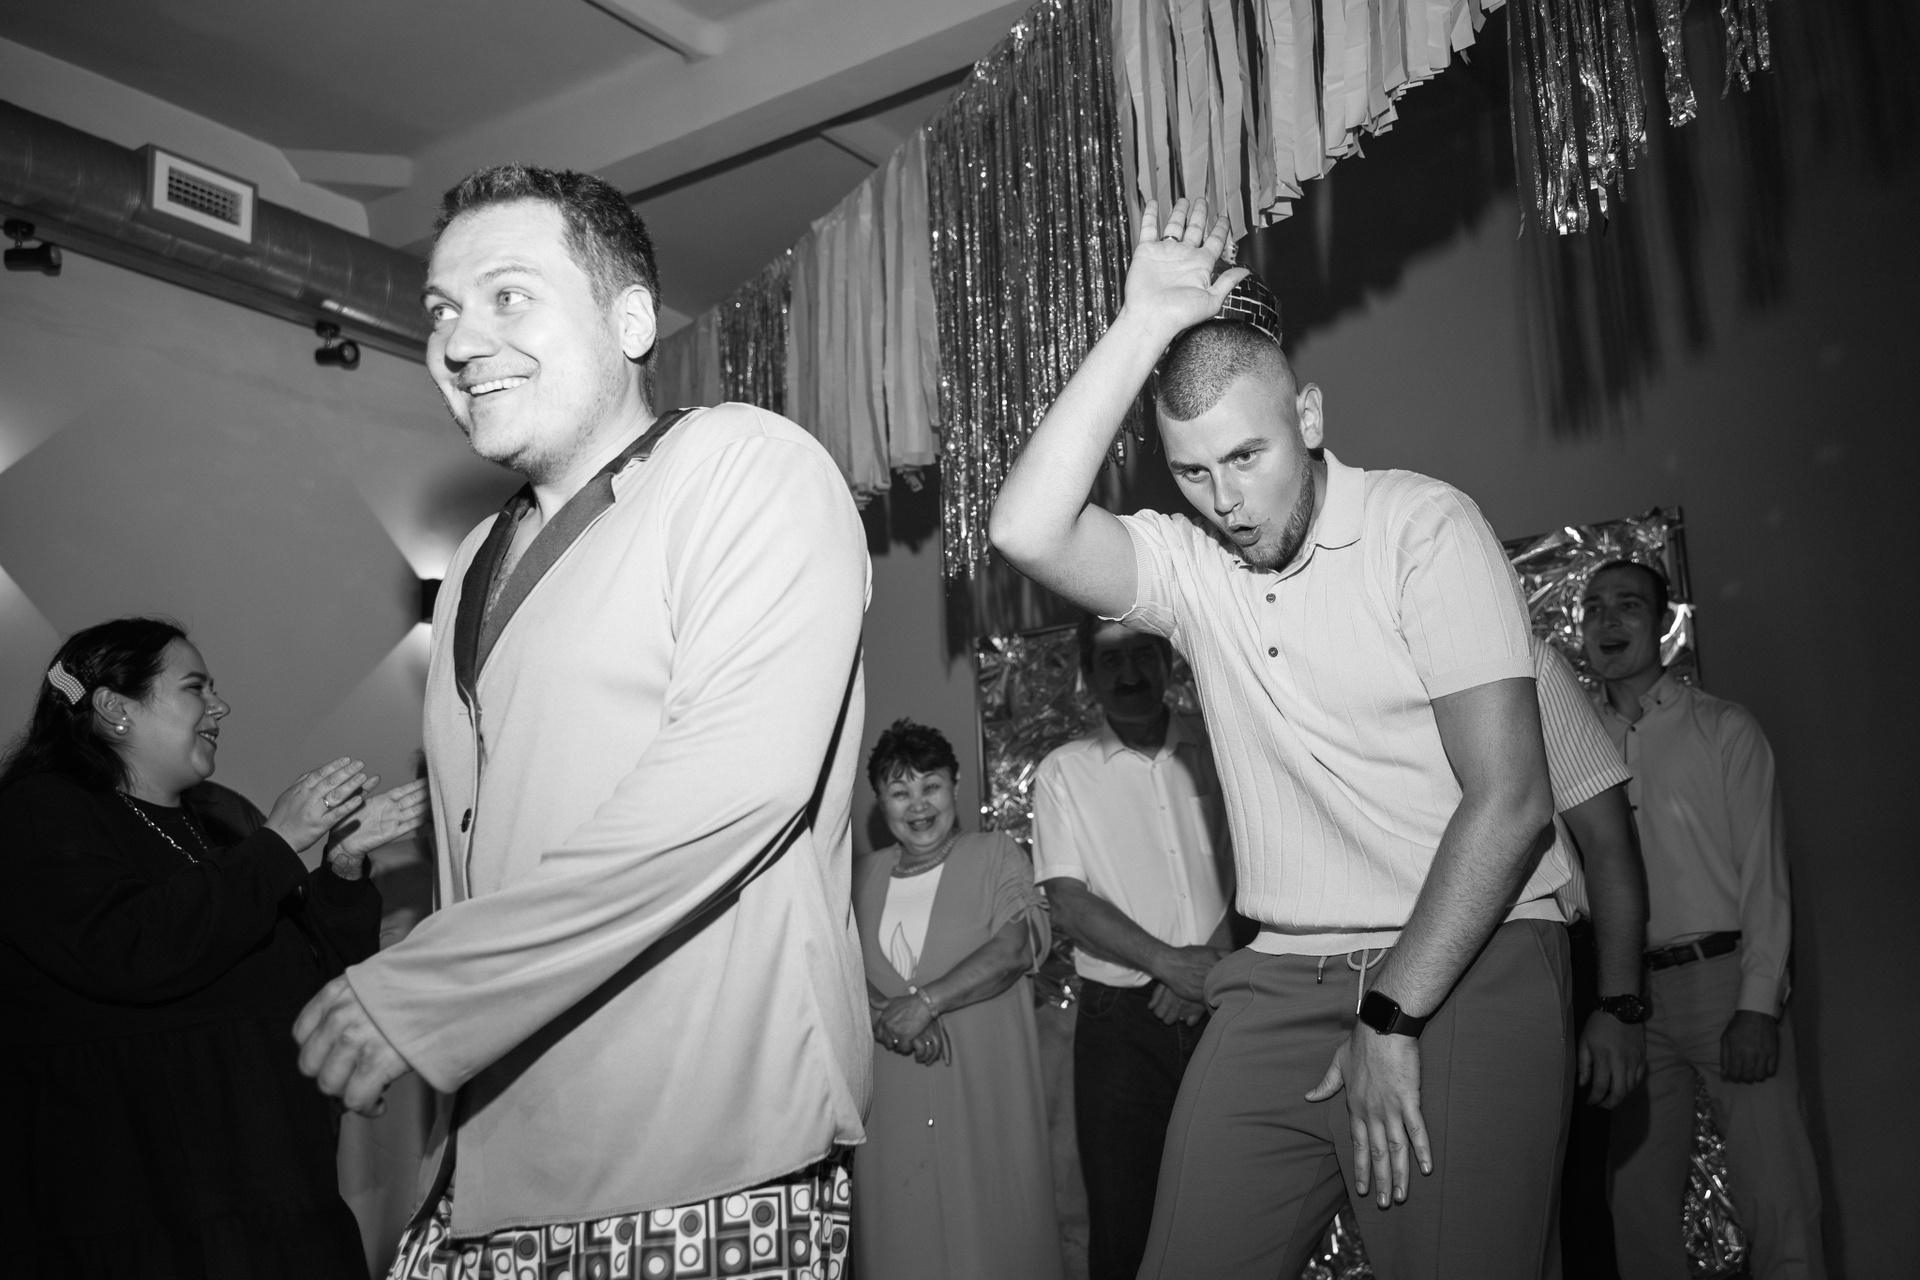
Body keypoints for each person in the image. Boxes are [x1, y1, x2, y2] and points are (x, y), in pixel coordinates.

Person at [291, 165, 871, 1279]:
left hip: (700, 1160)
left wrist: (431, 986)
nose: (461, 343)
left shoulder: (744, 466)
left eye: (509, 296)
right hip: (485, 1165)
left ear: (632, 320)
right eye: (443, 311)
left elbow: (736, 785)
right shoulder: (471, 560)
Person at [989, 196, 1566, 1279]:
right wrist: (1141, 326)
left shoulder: (1421, 527)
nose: (1227, 501)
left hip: (1469, 952)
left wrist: (1390, 1016)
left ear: (1307, 415)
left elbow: (1515, 799)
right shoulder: (1191, 568)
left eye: (1247, 456)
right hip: (1283, 970)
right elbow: (1024, 526)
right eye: (1193, 473)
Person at [0, 616, 426, 1279]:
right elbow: (129, 950)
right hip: (147, 1215)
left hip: (279, 1193)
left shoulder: (223, 820)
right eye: (195, 687)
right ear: (114, 707)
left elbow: (314, 980)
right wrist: (278, 843)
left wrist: (342, 868)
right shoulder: (38, 812)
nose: (219, 706)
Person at [1582, 561, 1827, 1280]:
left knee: (1777, 1198)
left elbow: (1765, 875)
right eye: (1594, 608)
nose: (1608, 621)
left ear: (1664, 622)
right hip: (1626, 1000)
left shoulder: (1724, 728)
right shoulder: (1576, 747)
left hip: (1724, 982)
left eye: (1628, 605)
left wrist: (1758, 1005)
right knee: (1633, 1211)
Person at [1031, 616, 1234, 1280]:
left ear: (1168, 661)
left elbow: (1266, 863)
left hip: (1232, 1008)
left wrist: (1211, 966)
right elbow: (1067, 902)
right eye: (1110, 661)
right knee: (1125, 1227)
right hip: (1120, 1027)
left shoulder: (1222, 748)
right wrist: (1171, 965)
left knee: (1236, 1215)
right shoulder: (1063, 773)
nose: (1129, 674)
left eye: (1143, 655)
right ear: (1088, 675)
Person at [851, 719, 1064, 1280]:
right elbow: (836, 968)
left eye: (931, 786)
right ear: (880, 803)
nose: (918, 805)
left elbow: (1014, 949)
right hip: (890, 1098)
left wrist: (926, 1002)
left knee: (997, 1236)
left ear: (956, 785)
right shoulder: (860, 877)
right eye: (900, 792)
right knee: (902, 1239)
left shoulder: (996, 855)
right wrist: (886, 1015)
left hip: (985, 1087)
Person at [1529, 634, 1650, 1280]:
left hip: (1554, 958)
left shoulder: (1525, 660)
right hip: (1411, 971)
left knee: (1572, 1204)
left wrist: (1620, 1004)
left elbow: (1609, 842)